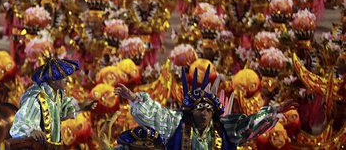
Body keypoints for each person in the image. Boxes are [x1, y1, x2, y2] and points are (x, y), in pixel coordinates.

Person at [115, 67, 294, 150]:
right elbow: (154, 114)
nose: (204, 114)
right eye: (200, 109)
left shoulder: (224, 127)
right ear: (191, 111)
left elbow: (249, 124)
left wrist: (273, 110)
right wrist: (134, 98)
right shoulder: (176, 123)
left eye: (208, 110)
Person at [9, 57, 97, 144]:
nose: (67, 80)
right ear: (54, 80)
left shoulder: (57, 95)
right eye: (64, 77)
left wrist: (81, 106)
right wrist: (31, 131)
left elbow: (62, 111)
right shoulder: (36, 98)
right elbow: (20, 123)